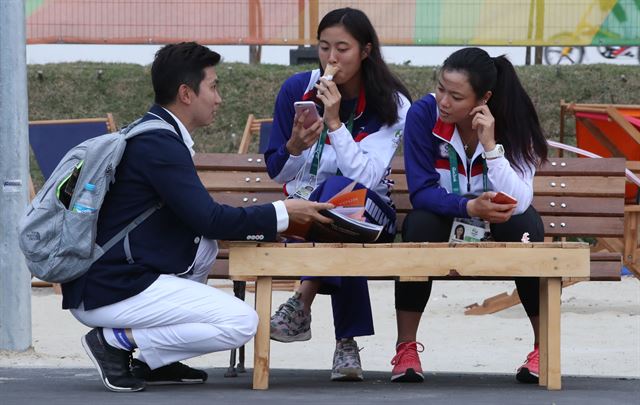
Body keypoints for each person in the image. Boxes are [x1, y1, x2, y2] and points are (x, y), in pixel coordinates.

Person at [61, 42, 333, 393]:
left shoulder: (157, 134)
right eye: (214, 86)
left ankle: (153, 360)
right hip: (111, 289)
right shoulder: (158, 146)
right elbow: (210, 219)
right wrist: (284, 212)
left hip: (114, 278)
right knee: (241, 322)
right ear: (186, 94)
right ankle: (114, 341)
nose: (219, 98)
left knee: (203, 248)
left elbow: (201, 223)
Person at [264, 8, 411, 381]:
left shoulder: (392, 104)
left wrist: (334, 123)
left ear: (365, 50)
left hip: (372, 213)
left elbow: (366, 175)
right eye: (324, 47)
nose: (332, 58)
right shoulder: (296, 90)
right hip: (305, 214)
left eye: (342, 49)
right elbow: (277, 172)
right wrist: (295, 146)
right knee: (336, 222)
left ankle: (303, 298)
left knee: (337, 196)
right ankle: (347, 342)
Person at [390, 47, 548, 384]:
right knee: (418, 224)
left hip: (502, 219)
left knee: (525, 229)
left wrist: (491, 148)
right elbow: (421, 191)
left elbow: (519, 202)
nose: (443, 101)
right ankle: (406, 349)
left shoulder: (514, 121)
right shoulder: (423, 115)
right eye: (441, 88)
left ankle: (543, 349)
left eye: (456, 95)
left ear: (483, 98)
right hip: (449, 216)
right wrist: (467, 207)